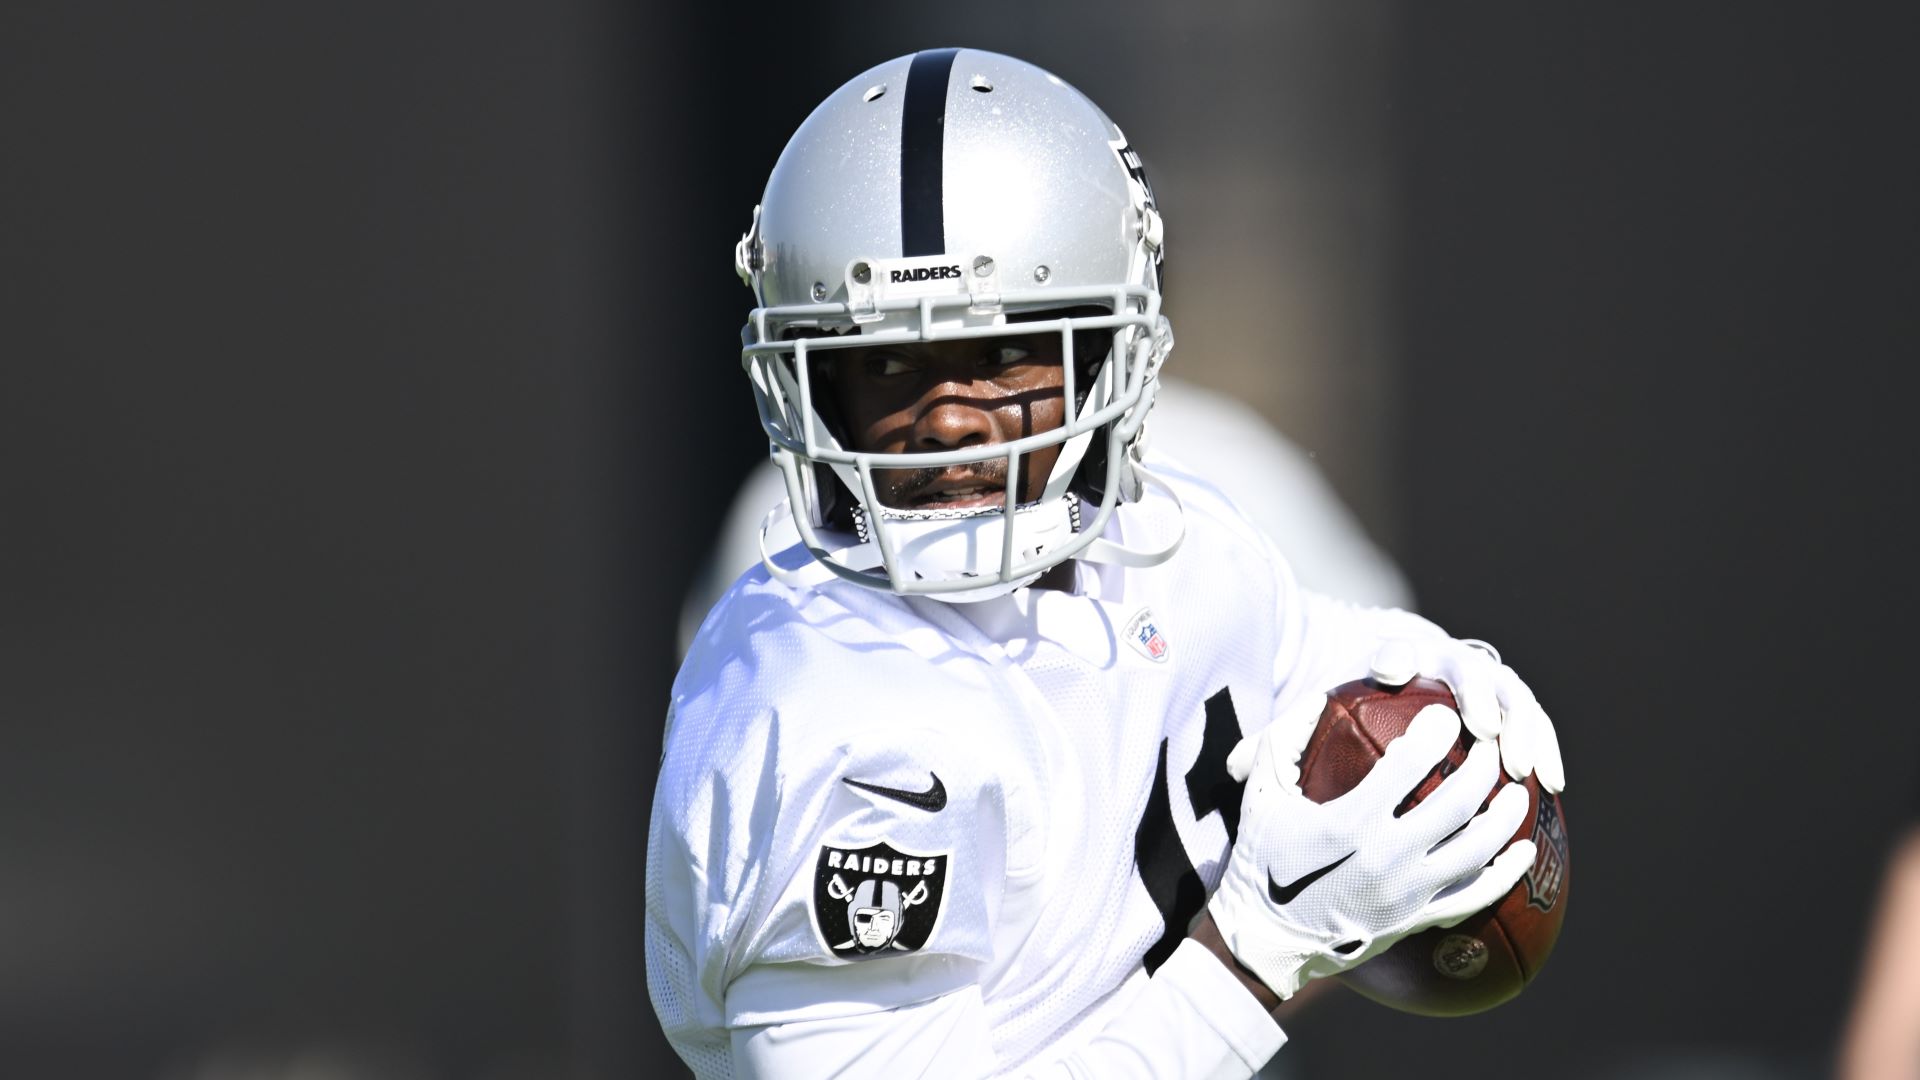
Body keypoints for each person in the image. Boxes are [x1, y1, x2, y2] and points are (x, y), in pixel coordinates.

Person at [646, 48, 1567, 1078]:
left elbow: (1294, 656)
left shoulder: (1165, 537)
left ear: (1113, 356)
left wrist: (1422, 678)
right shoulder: (830, 717)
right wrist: (1254, 957)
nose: (951, 419)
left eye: (1004, 356)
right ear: (803, 383)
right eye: (888, 362)